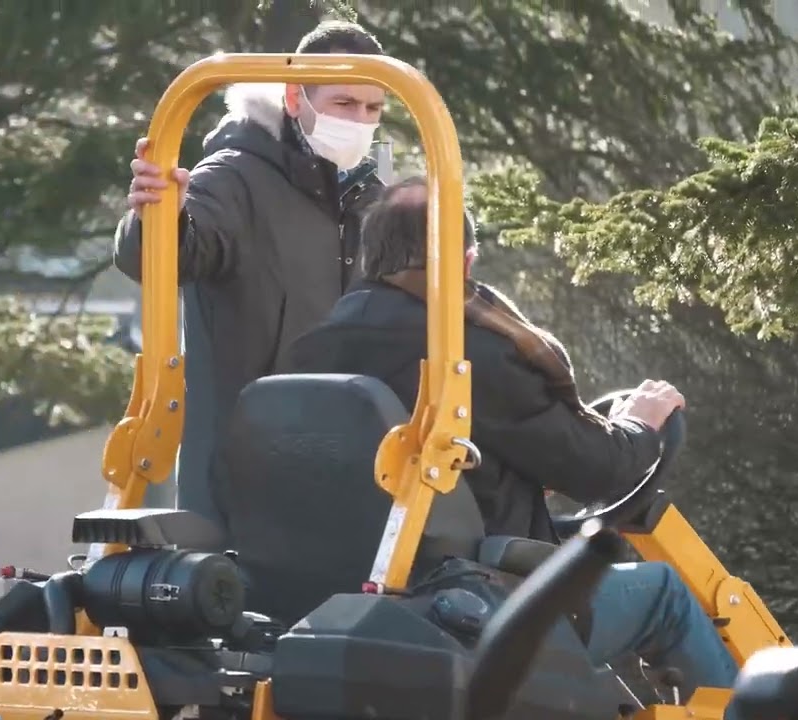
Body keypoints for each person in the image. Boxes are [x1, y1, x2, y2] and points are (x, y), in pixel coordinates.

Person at [285, 177, 741, 705]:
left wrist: (514, 481)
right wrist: (641, 423)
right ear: (465, 261)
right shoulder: (467, 350)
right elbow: (602, 468)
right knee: (665, 593)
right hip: (479, 597)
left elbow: (411, 459)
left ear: (372, 257)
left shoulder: (315, 348)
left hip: (349, 591)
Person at [115, 21, 389, 532]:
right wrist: (158, 213)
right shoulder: (233, 178)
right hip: (244, 473)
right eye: (344, 105)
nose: (360, 122)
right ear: (293, 97)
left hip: (345, 469)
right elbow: (161, 257)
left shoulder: (372, 200)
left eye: (372, 109)